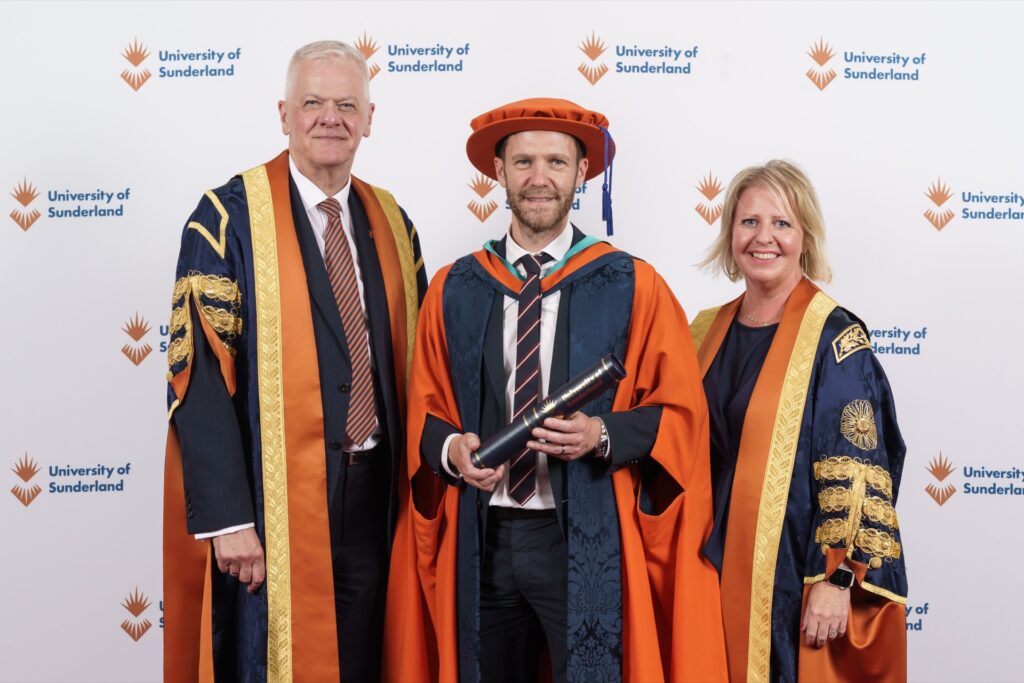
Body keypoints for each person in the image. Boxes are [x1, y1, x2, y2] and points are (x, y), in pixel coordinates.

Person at [383, 98, 727, 683]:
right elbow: (425, 409)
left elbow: (681, 417)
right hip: (484, 537)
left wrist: (602, 433)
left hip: (582, 538)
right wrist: (451, 452)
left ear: (582, 174)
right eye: (522, 162)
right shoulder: (455, 287)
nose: (538, 178)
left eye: (556, 163)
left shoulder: (632, 285)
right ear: (498, 173)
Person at [162, 40, 426, 682]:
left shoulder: (392, 220)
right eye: (312, 103)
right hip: (270, 501)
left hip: (377, 495)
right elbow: (197, 376)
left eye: (346, 104)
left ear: (370, 118)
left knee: (370, 659)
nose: (329, 118)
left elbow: (416, 366)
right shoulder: (226, 217)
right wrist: (228, 519)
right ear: (284, 114)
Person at [691, 160, 908, 682]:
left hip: (789, 571)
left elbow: (861, 466)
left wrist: (838, 580)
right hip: (707, 564)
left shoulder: (835, 340)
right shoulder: (704, 331)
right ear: (730, 235)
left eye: (782, 224)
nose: (764, 238)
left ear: (805, 237)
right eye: (749, 223)